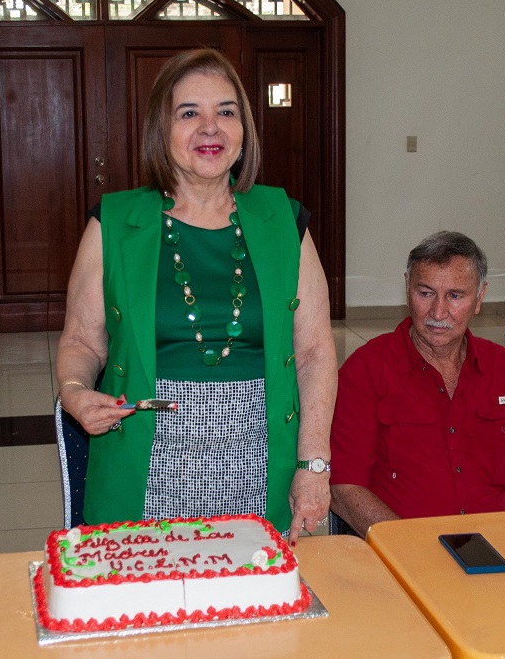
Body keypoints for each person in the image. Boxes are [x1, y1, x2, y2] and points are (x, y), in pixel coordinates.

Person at [57, 48, 337, 544]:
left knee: (256, 609)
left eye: (225, 112)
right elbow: (81, 341)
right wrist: (76, 393)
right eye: (189, 114)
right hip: (145, 460)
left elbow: (314, 352)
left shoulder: (285, 221)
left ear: (244, 129)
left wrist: (313, 465)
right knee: (148, 608)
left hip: (261, 457)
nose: (211, 129)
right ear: (160, 132)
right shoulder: (115, 224)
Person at [330, 231, 505, 536]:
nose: (438, 313)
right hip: (400, 556)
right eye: (425, 293)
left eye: (455, 296)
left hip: (499, 552)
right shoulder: (366, 370)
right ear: (407, 288)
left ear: (479, 297)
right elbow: (345, 489)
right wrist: (412, 549)